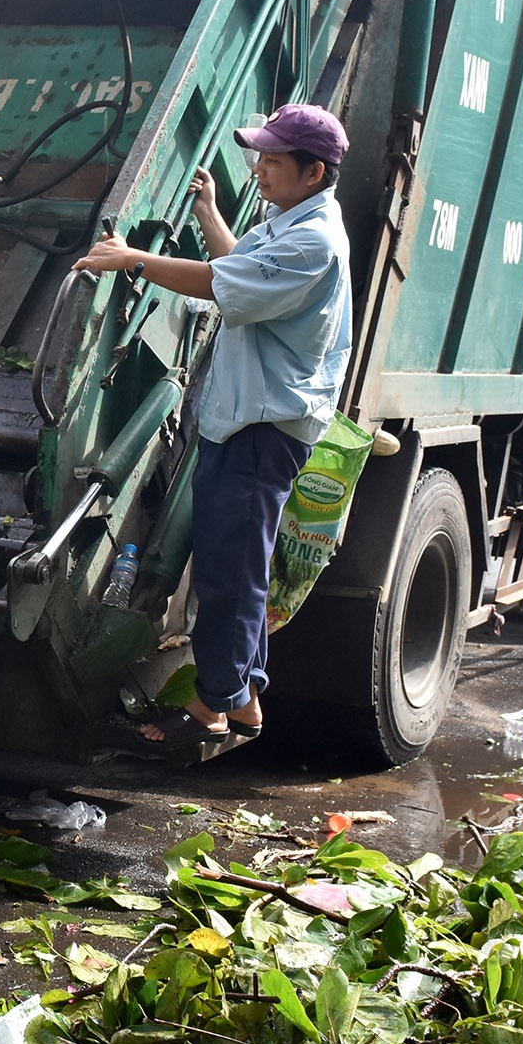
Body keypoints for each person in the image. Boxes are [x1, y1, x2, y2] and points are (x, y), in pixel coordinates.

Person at [74, 103, 353, 750]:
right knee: (235, 560)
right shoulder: (291, 220)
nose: (259, 168)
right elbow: (238, 271)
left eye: (273, 161)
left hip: (262, 427)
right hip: (247, 421)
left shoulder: (313, 241)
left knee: (230, 571)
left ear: (312, 172)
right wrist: (208, 213)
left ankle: (213, 705)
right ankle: (245, 696)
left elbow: (221, 286)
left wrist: (130, 260)